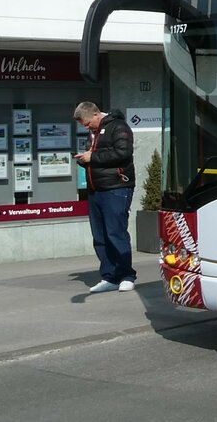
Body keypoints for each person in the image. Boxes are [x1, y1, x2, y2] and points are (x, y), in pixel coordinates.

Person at [73, 101, 137, 294]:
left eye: (87, 123)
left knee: (116, 233)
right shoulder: (93, 132)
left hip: (116, 187)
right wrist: (84, 160)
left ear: (95, 114)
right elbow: (98, 157)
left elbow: (123, 153)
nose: (86, 127)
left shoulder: (118, 126)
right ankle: (109, 277)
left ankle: (126, 276)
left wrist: (92, 157)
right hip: (96, 189)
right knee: (100, 236)